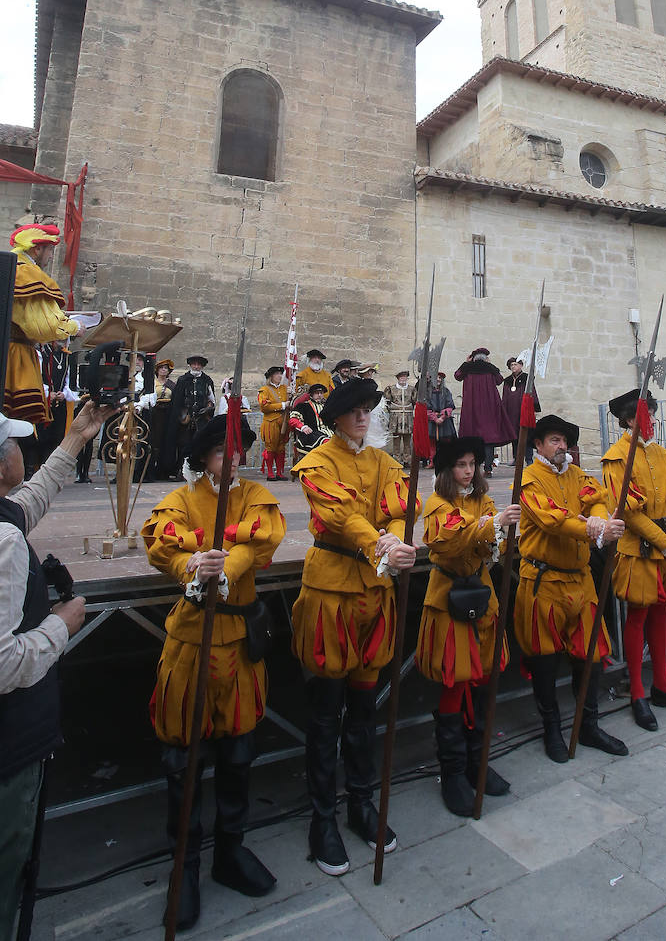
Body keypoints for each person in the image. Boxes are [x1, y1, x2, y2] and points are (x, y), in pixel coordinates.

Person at [141, 414, 286, 931]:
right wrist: (191, 567)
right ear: (204, 457)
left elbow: (264, 539)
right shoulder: (182, 499)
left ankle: (231, 852)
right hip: (191, 641)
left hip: (240, 640)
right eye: (224, 453)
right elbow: (160, 542)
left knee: (239, 752)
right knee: (185, 759)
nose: (234, 460)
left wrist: (228, 564)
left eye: (239, 450)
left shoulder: (253, 496)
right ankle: (186, 866)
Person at [290, 377, 419, 877]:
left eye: (368, 410)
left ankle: (361, 804)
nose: (364, 418)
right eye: (355, 411)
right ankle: (322, 819)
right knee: (327, 715)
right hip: (331, 595)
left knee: (365, 710)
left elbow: (405, 505)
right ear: (337, 417)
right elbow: (340, 514)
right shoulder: (317, 462)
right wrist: (382, 542)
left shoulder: (386, 461)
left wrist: (396, 534)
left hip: (375, 595)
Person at [0, 401, 110, 940]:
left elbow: (30, 499)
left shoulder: (5, 514)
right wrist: (62, 625)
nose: (22, 450)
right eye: (15, 444)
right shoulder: (3, 542)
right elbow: (3, 663)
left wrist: (76, 440)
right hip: (10, 746)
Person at [514, 414, 628, 762]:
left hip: (581, 580)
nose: (561, 446)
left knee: (590, 657)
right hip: (543, 583)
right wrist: (594, 529)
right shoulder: (528, 478)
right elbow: (552, 518)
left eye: (564, 441)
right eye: (553, 440)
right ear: (538, 445)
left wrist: (596, 514)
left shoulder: (577, 474)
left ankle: (588, 725)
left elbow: (597, 495)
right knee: (545, 661)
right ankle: (552, 730)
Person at [416, 436, 519, 815]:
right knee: (454, 684)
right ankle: (453, 771)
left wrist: (502, 534)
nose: (468, 470)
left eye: (472, 463)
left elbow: (492, 543)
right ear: (447, 470)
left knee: (481, 681)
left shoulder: (482, 499)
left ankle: (478, 762)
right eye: (461, 464)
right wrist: (491, 526)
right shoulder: (437, 504)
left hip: (482, 594)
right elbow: (452, 539)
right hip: (448, 599)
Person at [603, 389, 666, 731]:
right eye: (648, 416)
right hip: (639, 550)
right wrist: (663, 541)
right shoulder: (616, 458)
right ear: (630, 421)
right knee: (638, 617)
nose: (655, 422)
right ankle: (638, 693)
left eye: (655, 415)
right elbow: (627, 511)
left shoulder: (662, 453)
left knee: (660, 615)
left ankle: (662, 684)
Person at [4, 224, 81, 428]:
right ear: (37, 249)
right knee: (14, 428)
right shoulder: (28, 274)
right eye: (50, 250)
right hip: (15, 356)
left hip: (9, 350)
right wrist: (75, 327)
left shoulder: (11, 267)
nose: (51, 256)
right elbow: (44, 327)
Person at [454, 349, 515, 477]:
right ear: (486, 358)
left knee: (472, 440)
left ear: (473, 358)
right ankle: (488, 469)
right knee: (489, 441)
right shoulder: (491, 369)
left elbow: (457, 376)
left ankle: (474, 469)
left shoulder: (467, 368)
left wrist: (466, 362)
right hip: (489, 409)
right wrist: (490, 364)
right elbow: (499, 380)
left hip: (472, 409)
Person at [165, 356, 215, 480]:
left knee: (201, 444)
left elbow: (211, 399)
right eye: (194, 364)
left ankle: (201, 472)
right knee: (183, 445)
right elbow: (176, 400)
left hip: (202, 419)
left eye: (199, 365)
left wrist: (207, 409)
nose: (196, 367)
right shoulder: (183, 380)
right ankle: (181, 471)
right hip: (185, 419)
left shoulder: (207, 380)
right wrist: (182, 414)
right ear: (190, 365)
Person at [139, 358, 175, 480]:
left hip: (167, 415)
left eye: (166, 368)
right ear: (157, 370)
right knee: (152, 441)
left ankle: (162, 470)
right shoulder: (152, 383)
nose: (164, 370)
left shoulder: (171, 384)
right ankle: (149, 471)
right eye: (161, 368)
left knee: (163, 442)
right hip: (154, 414)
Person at [502, 358, 541, 465]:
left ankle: (529, 460)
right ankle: (516, 459)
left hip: (524, 411)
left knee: (526, 436)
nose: (513, 367)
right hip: (511, 413)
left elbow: (532, 392)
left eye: (515, 364)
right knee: (514, 436)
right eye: (511, 365)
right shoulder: (507, 381)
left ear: (520, 365)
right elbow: (504, 397)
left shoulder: (526, 378)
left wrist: (534, 408)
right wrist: (503, 411)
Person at [257, 367, 290, 481]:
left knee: (281, 447)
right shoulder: (264, 390)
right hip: (271, 423)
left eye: (281, 373)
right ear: (271, 376)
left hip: (283, 421)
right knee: (271, 447)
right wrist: (282, 405)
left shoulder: (285, 389)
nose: (280, 376)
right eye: (277, 374)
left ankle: (280, 472)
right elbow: (264, 407)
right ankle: (270, 472)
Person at [288, 384, 330, 457]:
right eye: (317, 393)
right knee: (327, 443)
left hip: (329, 432)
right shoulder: (303, 406)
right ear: (311, 395)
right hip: (312, 433)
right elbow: (293, 420)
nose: (319, 395)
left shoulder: (327, 406)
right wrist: (303, 427)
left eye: (321, 393)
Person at [384, 369, 416, 465]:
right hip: (395, 418)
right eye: (401, 376)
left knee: (407, 440)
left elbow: (415, 402)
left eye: (405, 376)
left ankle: (407, 460)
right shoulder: (391, 389)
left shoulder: (412, 389)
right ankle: (396, 459)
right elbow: (387, 402)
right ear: (398, 378)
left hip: (408, 417)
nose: (403, 378)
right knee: (396, 440)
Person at [427, 371, 457, 448]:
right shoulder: (427, 393)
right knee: (431, 445)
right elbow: (427, 408)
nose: (438, 379)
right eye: (436, 377)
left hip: (445, 422)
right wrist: (435, 418)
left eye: (440, 378)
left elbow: (450, 406)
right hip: (431, 422)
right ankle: (432, 460)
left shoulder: (446, 392)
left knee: (445, 445)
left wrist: (442, 417)